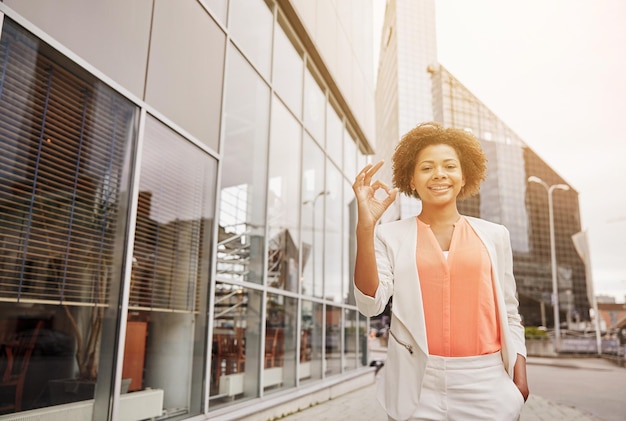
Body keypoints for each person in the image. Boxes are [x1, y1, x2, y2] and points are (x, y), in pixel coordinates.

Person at [352, 122, 529, 421]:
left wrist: (519, 377)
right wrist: (365, 228)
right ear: (411, 177)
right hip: (417, 385)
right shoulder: (389, 236)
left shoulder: (495, 235)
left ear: (464, 175)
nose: (439, 174)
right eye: (427, 167)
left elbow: (510, 312)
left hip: (487, 382)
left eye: (449, 166)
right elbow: (370, 304)